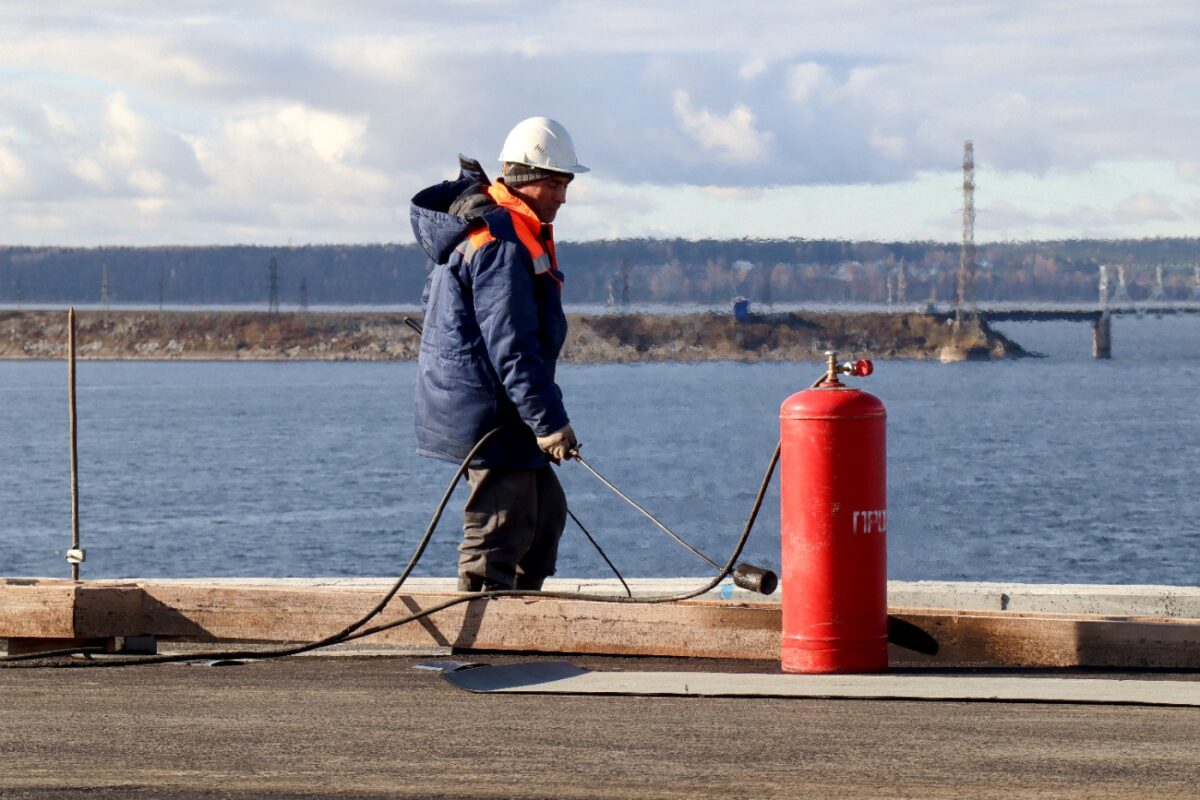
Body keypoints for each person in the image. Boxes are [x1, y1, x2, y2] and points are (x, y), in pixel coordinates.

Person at [409, 117, 588, 592]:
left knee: (545, 515)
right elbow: (513, 347)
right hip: (490, 414)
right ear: (527, 181)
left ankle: (523, 620)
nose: (562, 197)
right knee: (502, 522)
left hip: (505, 409)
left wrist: (540, 418)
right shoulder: (501, 243)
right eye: (554, 184)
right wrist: (548, 423)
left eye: (566, 185)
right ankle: (484, 638)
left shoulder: (512, 231)